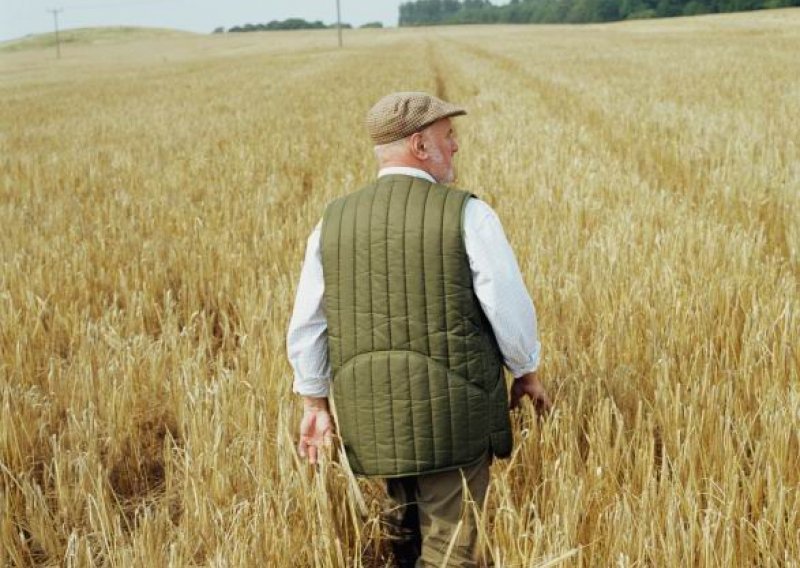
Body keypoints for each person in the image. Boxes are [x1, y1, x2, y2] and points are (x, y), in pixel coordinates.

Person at [287, 91, 551, 567]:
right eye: (449, 138)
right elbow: (507, 306)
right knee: (451, 544)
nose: (456, 148)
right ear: (419, 146)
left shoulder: (331, 222)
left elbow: (308, 321)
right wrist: (526, 370)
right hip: (454, 419)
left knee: (400, 534)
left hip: (370, 419)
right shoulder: (467, 214)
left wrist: (314, 401)